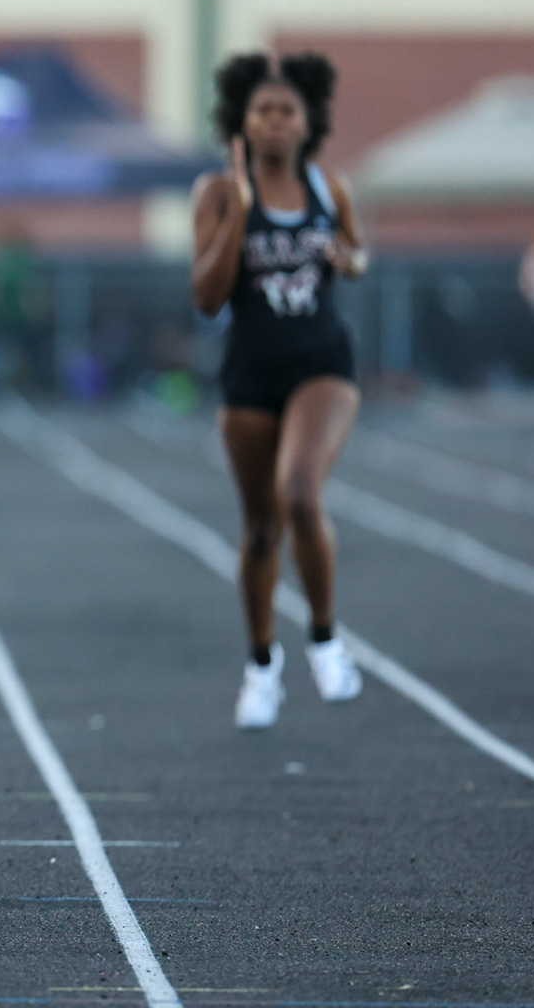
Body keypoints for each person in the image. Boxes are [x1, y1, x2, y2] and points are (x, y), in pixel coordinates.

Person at [190, 52, 367, 730]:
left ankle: (324, 638)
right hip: (250, 371)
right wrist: (238, 211)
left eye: (286, 111)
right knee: (261, 525)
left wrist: (348, 259)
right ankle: (262, 666)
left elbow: (357, 253)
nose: (273, 121)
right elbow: (207, 298)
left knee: (300, 493)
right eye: (262, 110)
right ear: (241, 119)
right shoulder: (214, 192)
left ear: (307, 122)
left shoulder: (330, 190)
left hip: (322, 363)